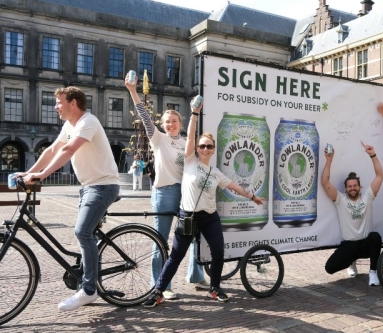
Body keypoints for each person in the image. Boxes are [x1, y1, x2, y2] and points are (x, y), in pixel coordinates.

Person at [142, 98, 264, 307]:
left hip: (209, 217)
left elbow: (234, 186)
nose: (205, 149)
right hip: (188, 216)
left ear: (213, 149)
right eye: (202, 146)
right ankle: (158, 291)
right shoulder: (189, 161)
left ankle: (214, 288)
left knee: (218, 252)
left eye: (209, 146)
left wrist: (252, 197)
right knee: (175, 256)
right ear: (197, 148)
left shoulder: (216, 173)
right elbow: (189, 136)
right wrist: (194, 113)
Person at [20, 86, 120, 311]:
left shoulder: (88, 122)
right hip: (88, 187)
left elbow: (68, 151)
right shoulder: (69, 125)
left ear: (73, 103)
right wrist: (29, 173)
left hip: (103, 185)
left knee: (82, 232)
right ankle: (90, 278)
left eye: (59, 102)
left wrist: (41, 176)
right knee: (88, 234)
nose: (56, 106)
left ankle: (89, 290)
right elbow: (52, 150)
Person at [125, 76, 208, 300]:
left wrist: (195, 111)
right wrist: (133, 90)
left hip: (185, 194)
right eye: (167, 122)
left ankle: (196, 274)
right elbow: (143, 115)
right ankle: (162, 285)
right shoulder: (158, 138)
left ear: (180, 123)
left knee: (192, 236)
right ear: (162, 125)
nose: (170, 124)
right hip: (164, 192)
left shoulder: (186, 143)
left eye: (174, 121)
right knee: (160, 240)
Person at [321, 141, 383, 286]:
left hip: (364, 244)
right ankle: (351, 262)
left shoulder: (367, 196)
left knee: (375, 237)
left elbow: (380, 175)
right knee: (329, 268)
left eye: (355, 185)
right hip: (349, 244)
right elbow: (325, 182)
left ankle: (373, 272)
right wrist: (329, 160)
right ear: (345, 188)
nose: (352, 188)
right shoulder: (340, 199)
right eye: (349, 186)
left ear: (359, 187)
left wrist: (372, 155)